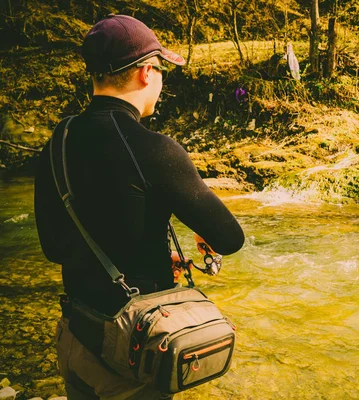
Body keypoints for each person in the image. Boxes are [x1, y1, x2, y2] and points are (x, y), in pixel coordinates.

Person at [34, 14, 245, 400]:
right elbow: (230, 238)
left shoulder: (58, 141)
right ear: (147, 73)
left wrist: (153, 254)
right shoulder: (156, 149)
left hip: (77, 340)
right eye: (162, 69)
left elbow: (54, 247)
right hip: (132, 355)